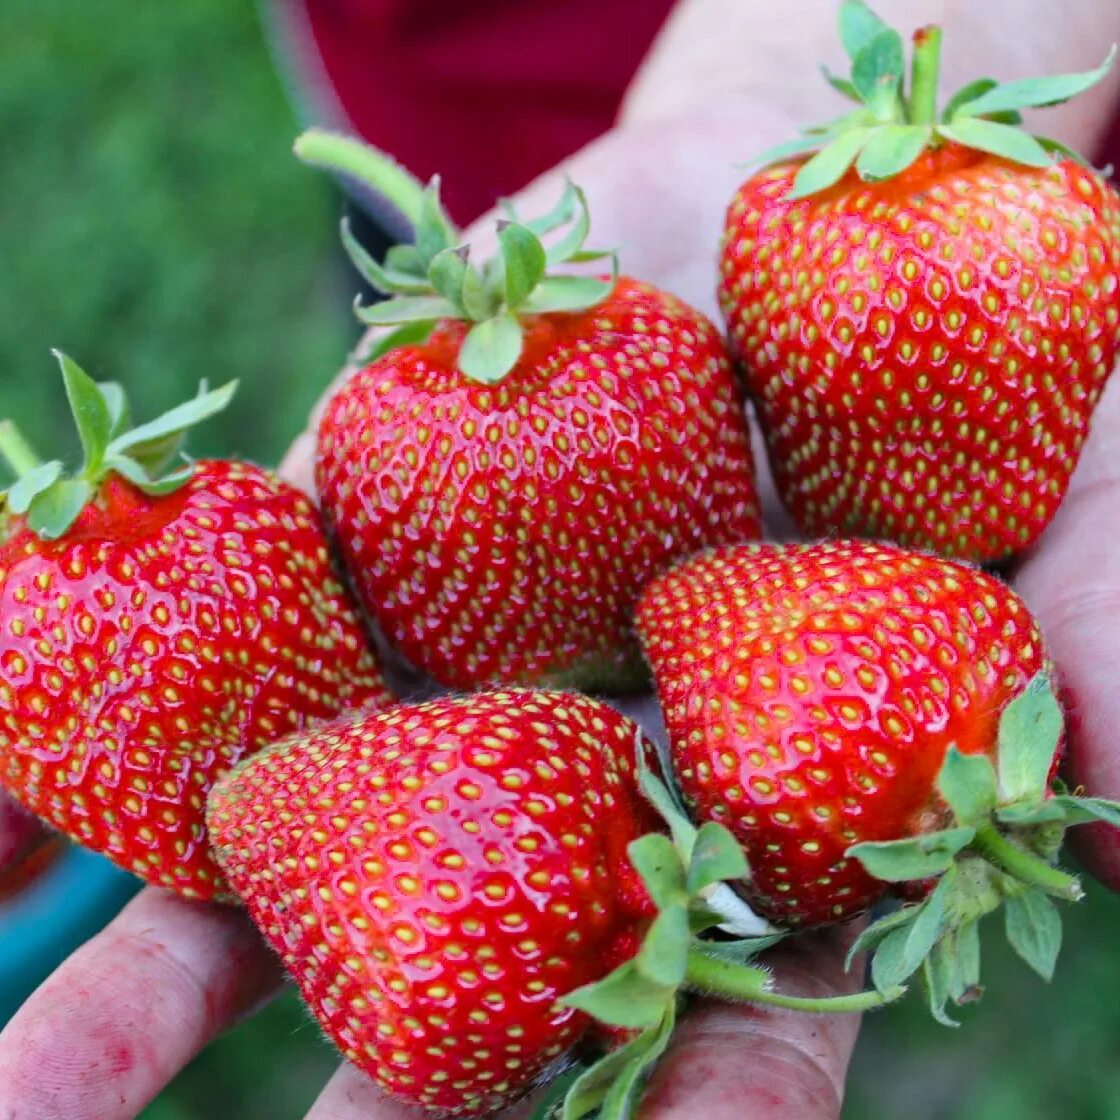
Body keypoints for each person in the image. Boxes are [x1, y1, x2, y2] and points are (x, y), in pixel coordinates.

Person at [1, 1, 1119, 1116]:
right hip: (435, 102)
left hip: (758, 122)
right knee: (414, 262)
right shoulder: (473, 406)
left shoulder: (931, 242)